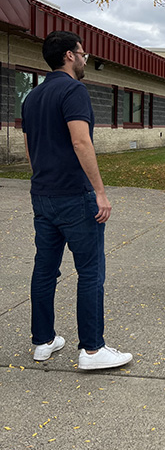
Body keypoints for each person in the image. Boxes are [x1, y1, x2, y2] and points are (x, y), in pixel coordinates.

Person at [21, 30, 133, 370]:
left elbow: (30, 149)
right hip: (74, 196)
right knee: (90, 271)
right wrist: (99, 191)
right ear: (69, 55)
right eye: (82, 53)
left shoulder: (32, 97)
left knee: (44, 269)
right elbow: (81, 142)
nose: (85, 59)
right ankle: (92, 350)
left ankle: (43, 342)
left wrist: (42, 176)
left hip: (43, 195)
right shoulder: (73, 90)